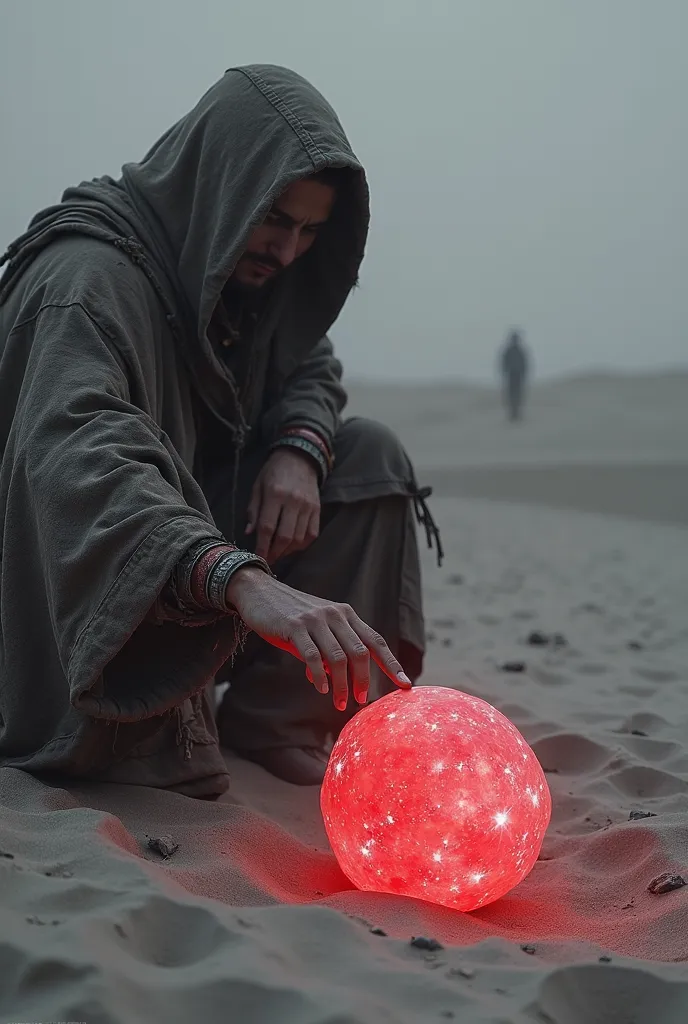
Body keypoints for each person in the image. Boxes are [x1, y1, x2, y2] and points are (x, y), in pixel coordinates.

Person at [0, 65, 441, 796]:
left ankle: (271, 722)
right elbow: (81, 452)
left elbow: (309, 360)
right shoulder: (87, 282)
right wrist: (231, 575)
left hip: (207, 552)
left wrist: (299, 451)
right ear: (219, 188)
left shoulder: (245, 277)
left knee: (370, 458)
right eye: (273, 220)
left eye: (309, 230)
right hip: (74, 584)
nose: (287, 249)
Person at [499, 329, 530, 422]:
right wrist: (504, 372)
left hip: (516, 376)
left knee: (516, 395)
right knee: (513, 395)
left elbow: (524, 364)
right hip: (512, 375)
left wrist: (524, 374)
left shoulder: (519, 350)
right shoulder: (511, 350)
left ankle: (516, 414)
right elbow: (504, 363)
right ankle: (513, 414)